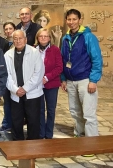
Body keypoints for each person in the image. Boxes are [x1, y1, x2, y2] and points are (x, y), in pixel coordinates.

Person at [61, 9, 102, 141]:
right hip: (71, 80)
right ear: (66, 21)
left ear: (80, 20)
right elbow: (63, 59)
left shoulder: (88, 37)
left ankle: (91, 143)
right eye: (69, 19)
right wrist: (63, 78)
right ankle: (79, 134)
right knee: (75, 111)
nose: (71, 22)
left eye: (74, 19)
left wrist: (93, 80)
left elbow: (96, 59)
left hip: (85, 79)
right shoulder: (65, 38)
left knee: (88, 114)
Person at [4, 30, 44, 141]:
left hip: (32, 93)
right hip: (15, 93)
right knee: (16, 121)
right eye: (15, 38)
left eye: (20, 38)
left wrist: (25, 88)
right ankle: (18, 144)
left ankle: (32, 145)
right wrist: (16, 89)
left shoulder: (34, 53)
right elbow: (6, 75)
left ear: (25, 40)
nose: (18, 41)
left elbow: (39, 73)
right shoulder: (8, 54)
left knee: (33, 120)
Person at [35, 28, 63, 139]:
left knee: (51, 110)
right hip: (37, 85)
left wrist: (47, 77)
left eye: (46, 36)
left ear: (49, 38)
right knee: (40, 110)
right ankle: (41, 133)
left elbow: (59, 67)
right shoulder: (33, 49)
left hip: (51, 84)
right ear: (37, 38)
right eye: (41, 36)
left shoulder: (55, 50)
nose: (43, 38)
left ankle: (49, 133)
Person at [0, 22, 16, 132]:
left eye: (10, 28)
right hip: (6, 76)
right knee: (7, 102)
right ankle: (6, 123)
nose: (8, 31)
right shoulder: (4, 43)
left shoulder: (19, 42)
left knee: (16, 102)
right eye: (6, 29)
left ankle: (15, 123)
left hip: (16, 77)